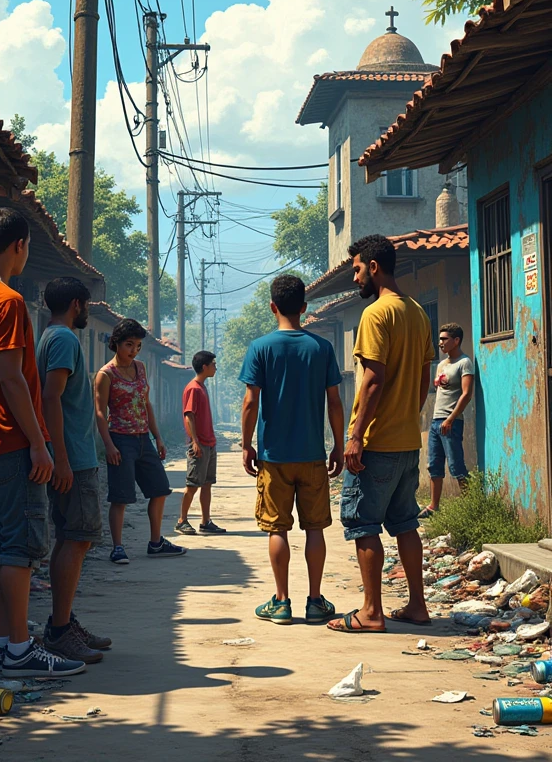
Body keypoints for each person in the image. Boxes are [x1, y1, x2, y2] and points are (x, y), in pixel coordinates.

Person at [0, 208, 85, 677]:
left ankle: (6, 644)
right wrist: (38, 442)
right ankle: (18, 649)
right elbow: (12, 380)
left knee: (0, 544)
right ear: (20, 245)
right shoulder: (5, 301)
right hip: (12, 440)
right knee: (20, 548)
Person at [328, 235, 434, 635]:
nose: (355, 277)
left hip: (377, 444)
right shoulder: (418, 313)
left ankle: (372, 612)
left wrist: (355, 436)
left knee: (364, 524)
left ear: (373, 267)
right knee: (406, 523)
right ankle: (418, 605)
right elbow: (423, 379)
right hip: (408, 442)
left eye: (356, 269)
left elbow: (372, 380)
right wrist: (408, 414)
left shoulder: (376, 314)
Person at [239, 275, 345, 626]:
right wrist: (339, 446)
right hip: (313, 454)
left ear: (273, 307)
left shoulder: (261, 348)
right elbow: (334, 402)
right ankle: (315, 601)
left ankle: (281, 602)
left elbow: (251, 402)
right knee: (315, 529)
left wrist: (246, 444)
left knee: (277, 529)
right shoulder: (321, 348)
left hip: (274, 457)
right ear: (304, 308)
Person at [36, 276, 112, 664]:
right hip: (75, 459)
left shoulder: (49, 336)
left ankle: (61, 623)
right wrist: (62, 457)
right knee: (78, 539)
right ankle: (61, 632)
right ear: (78, 304)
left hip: (71, 455)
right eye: (86, 307)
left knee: (70, 538)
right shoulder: (64, 339)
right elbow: (51, 397)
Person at [94, 318, 186, 563]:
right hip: (120, 441)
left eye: (137, 346)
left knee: (160, 490)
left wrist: (159, 437)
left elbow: (146, 404)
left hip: (144, 439)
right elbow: (100, 412)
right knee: (121, 497)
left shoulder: (141, 369)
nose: (133, 350)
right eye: (128, 345)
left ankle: (156, 543)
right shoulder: (106, 375)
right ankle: (118, 547)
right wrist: (109, 445)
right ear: (116, 344)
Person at [419, 323, 474, 519]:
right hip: (436, 421)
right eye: (440, 339)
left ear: (456, 340)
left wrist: (450, 419)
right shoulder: (442, 365)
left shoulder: (464, 363)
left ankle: (471, 507)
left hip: (451, 421)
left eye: (444, 339)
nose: (440, 342)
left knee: (456, 466)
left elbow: (466, 394)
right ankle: (434, 507)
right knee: (433, 465)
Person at [175, 350, 226, 536]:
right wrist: (195, 442)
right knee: (193, 483)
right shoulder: (194, 388)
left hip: (209, 442)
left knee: (206, 483)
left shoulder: (202, 387)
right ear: (204, 367)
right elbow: (189, 416)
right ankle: (182, 520)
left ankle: (206, 521)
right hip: (200, 444)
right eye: (213, 364)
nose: (216, 367)